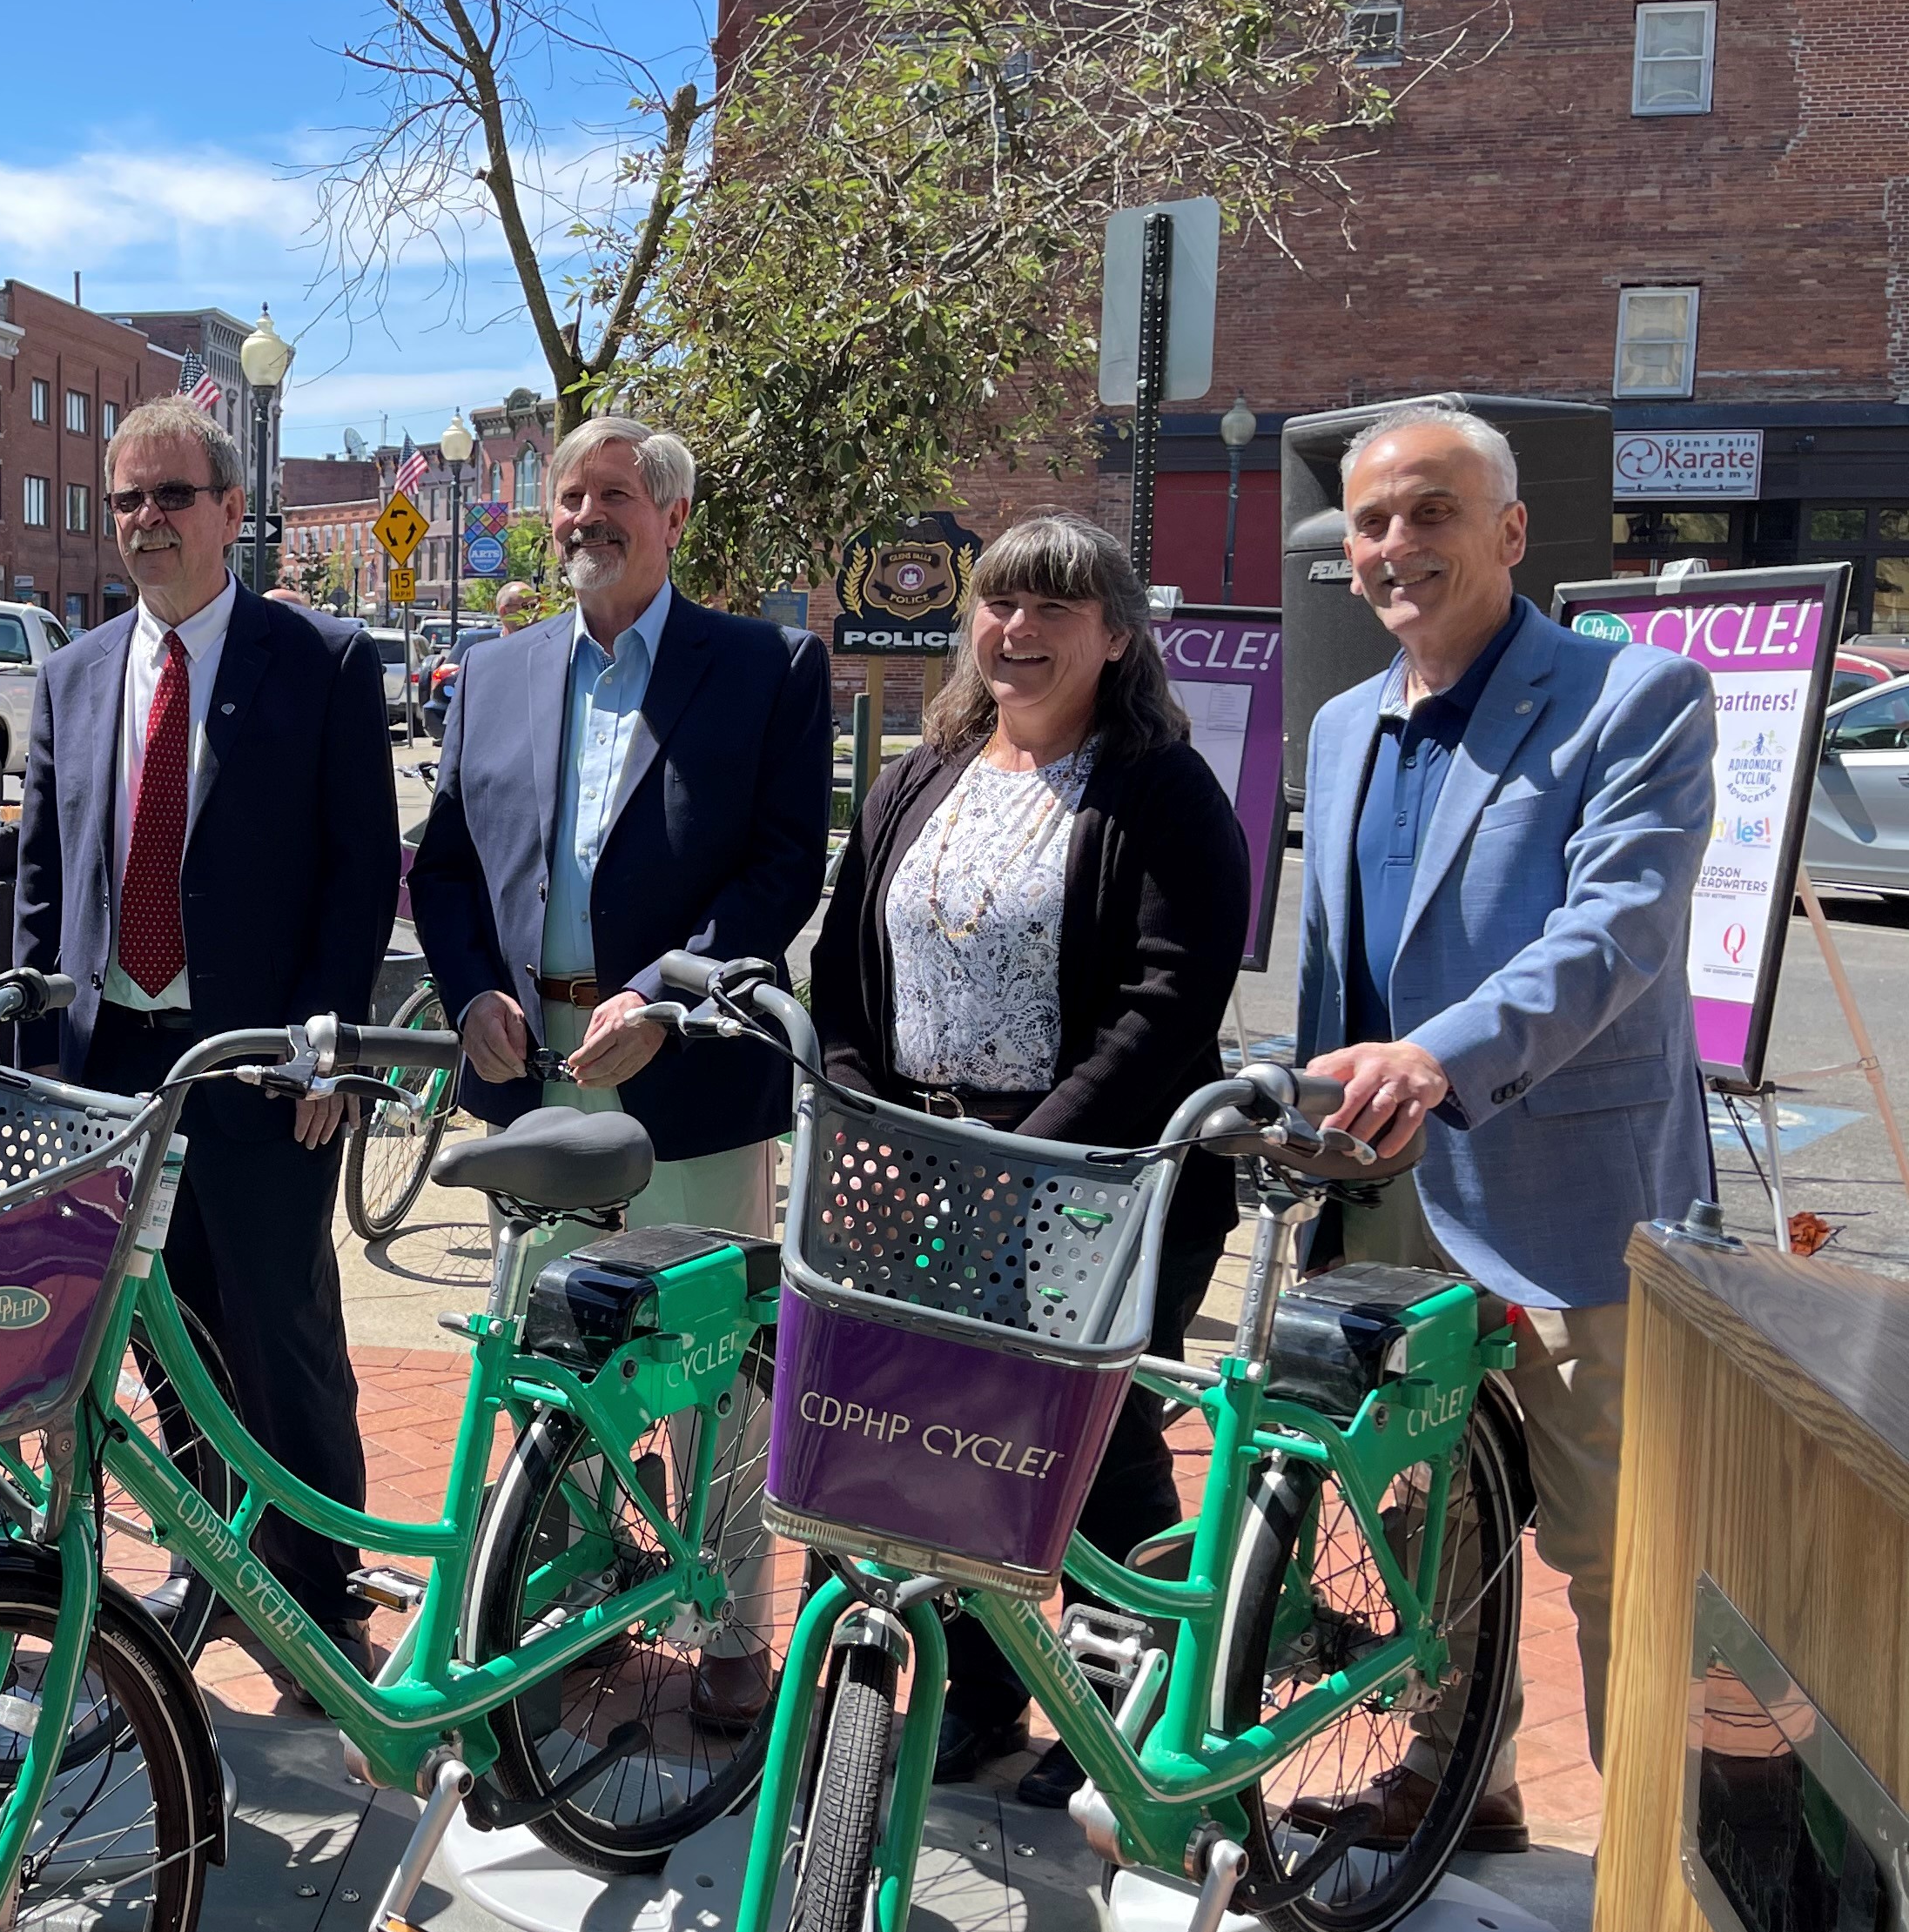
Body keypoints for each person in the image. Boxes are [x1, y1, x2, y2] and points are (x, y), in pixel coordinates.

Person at [1294, 397, 1715, 1847]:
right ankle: (1456, 1765)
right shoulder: (1347, 721)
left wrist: (1432, 1056)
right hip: (1392, 1192)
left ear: (1510, 530)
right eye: (1370, 520)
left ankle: (1656, 1865)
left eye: (1430, 510)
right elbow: (1333, 962)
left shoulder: (1634, 698)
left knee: (1609, 1540)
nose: (1396, 543)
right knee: (1434, 1501)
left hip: (1572, 1195)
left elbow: (1617, 932)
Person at [810, 513, 1248, 1795]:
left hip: (1099, 1174)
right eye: (1000, 604)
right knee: (941, 1436)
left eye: (1055, 608)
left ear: (1116, 637)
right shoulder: (925, 769)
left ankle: (1120, 1713)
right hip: (911, 1156)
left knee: (1093, 1446)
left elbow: (1167, 1007)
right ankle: (981, 1691)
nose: (1019, 630)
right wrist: (855, 1110)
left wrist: (1025, 1162)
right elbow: (844, 964)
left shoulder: (1161, 787)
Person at [409, 417, 831, 1734]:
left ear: (673, 519)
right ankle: (568, 1589)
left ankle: (729, 1630)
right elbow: (448, 865)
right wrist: (476, 981)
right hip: (534, 1071)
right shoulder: (492, 671)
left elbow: (780, 866)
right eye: (570, 499)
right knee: (552, 1354)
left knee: (713, 1364)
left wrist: (666, 994)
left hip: (689, 1072)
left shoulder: (765, 667)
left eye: (614, 497)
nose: (584, 517)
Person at [16, 396, 403, 1680]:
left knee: (279, 1319)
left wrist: (333, 1049)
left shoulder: (325, 662)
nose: (145, 521)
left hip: (259, 1063)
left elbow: (360, 872)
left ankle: (312, 1578)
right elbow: (46, 872)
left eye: (171, 496)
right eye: (125, 499)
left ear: (234, 512)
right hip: (112, 1062)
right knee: (159, 1320)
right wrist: (32, 1042)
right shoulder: (75, 674)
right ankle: (210, 1546)